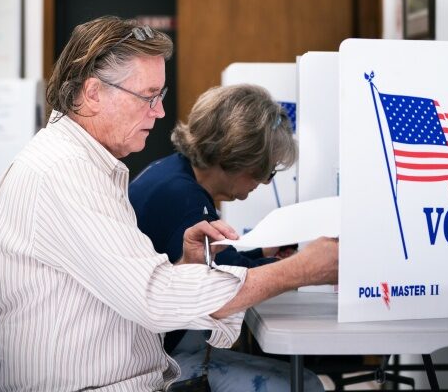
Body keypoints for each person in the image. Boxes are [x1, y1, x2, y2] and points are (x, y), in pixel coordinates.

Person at [0, 16, 338, 392]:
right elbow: (154, 298)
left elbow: (126, 291)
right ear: (94, 92)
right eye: (148, 97)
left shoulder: (82, 165)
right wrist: (301, 271)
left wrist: (183, 265)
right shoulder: (64, 172)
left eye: (160, 97)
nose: (160, 112)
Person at [129, 84, 323, 391]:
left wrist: (265, 253)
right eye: (267, 171)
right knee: (306, 385)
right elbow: (227, 284)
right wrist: (307, 267)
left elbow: (221, 263)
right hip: (157, 363)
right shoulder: (184, 199)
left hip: (151, 347)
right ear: (240, 157)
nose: (264, 181)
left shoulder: (173, 174)